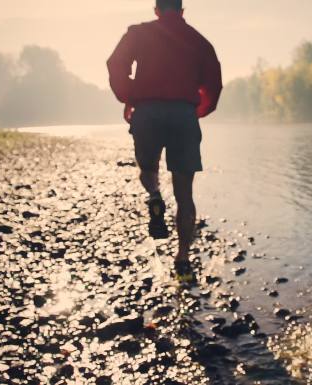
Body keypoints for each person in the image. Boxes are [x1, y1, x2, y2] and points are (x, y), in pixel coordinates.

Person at [107, 0, 222, 282]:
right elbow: (214, 83)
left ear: (156, 10)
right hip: (183, 116)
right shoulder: (199, 40)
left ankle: (155, 197)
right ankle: (182, 259)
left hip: (147, 112)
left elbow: (115, 63)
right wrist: (196, 110)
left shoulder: (138, 33)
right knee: (185, 195)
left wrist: (129, 96)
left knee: (148, 168)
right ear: (182, 11)